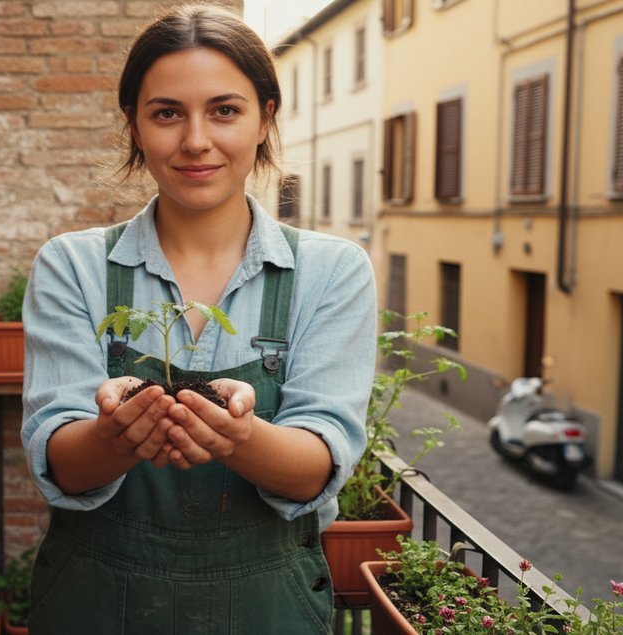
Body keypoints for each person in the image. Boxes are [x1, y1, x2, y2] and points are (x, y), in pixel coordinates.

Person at [21, 4, 375, 633]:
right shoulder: (72, 266)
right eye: (166, 113)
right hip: (97, 604)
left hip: (269, 609)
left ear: (265, 118)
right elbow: (62, 458)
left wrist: (241, 438)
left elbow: (319, 463)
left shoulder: (331, 272)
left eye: (225, 110)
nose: (195, 140)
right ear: (133, 124)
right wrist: (113, 435)